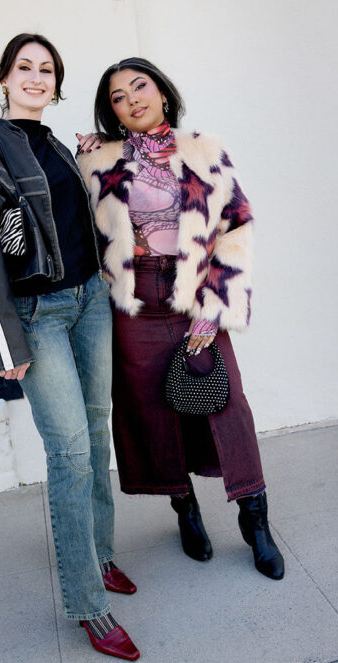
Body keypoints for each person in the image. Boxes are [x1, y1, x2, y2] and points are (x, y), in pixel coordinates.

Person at [0, 34, 140, 661]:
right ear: (4, 78)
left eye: (47, 70)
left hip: (88, 302)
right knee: (71, 454)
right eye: (24, 67)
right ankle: (89, 604)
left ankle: (101, 554)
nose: (36, 77)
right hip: (39, 315)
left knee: (98, 432)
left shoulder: (57, 144)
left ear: (57, 84)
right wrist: (7, 338)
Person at [78, 57, 284, 581]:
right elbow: (83, 231)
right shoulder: (97, 160)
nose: (132, 100)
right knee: (151, 409)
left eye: (139, 87)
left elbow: (236, 228)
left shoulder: (204, 151)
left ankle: (254, 521)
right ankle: (185, 510)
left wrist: (211, 311)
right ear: (114, 112)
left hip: (195, 294)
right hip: (136, 301)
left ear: (162, 93)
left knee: (227, 404)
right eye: (119, 97)